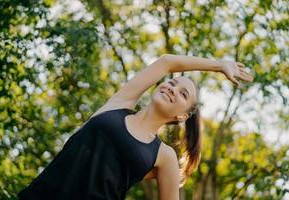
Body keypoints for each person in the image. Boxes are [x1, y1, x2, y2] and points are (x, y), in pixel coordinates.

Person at [17, 54, 253, 200]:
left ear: (182, 116)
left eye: (182, 93)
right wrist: (219, 64)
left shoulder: (163, 156)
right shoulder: (119, 105)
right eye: (171, 83)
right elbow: (167, 62)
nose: (171, 88)